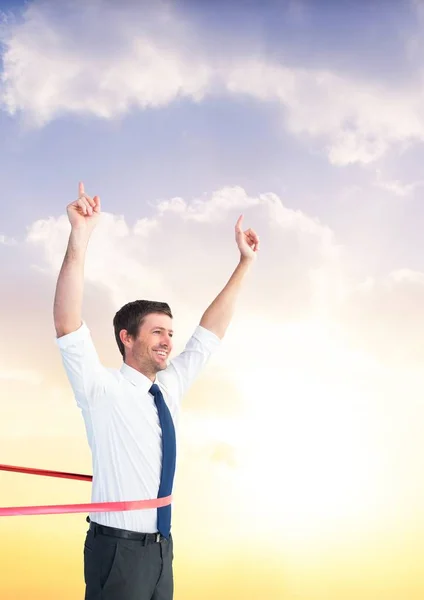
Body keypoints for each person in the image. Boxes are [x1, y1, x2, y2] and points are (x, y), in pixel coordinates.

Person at [53, 182, 260, 600]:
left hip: (162, 550)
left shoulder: (169, 387)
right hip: (118, 549)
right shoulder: (101, 388)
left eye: (170, 332)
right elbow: (67, 322)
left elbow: (210, 332)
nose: (168, 340)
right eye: (157, 332)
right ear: (126, 338)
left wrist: (245, 263)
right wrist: (80, 236)